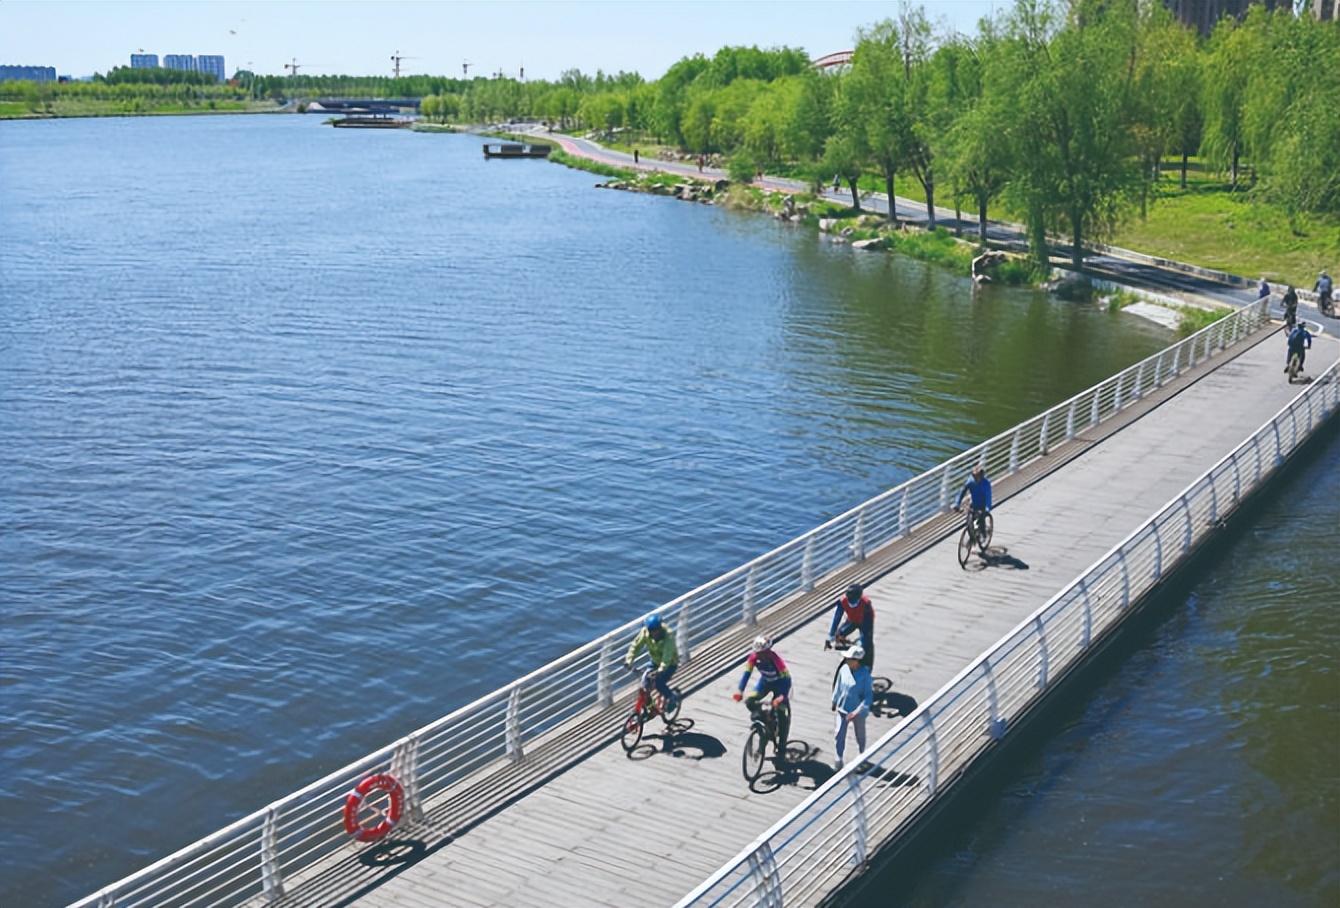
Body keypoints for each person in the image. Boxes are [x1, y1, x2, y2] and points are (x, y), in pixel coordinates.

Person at [732, 635, 792, 755]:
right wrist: (740, 691)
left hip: (780, 685)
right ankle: (766, 719)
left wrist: (781, 697)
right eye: (757, 653)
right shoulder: (753, 658)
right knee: (750, 701)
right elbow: (746, 674)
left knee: (781, 714)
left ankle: (782, 746)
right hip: (765, 683)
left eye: (762, 653)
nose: (759, 656)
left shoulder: (776, 660)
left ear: (768, 651)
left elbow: (787, 679)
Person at [625, 614, 679, 713]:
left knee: (659, 683)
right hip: (654, 662)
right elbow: (636, 646)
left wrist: (661, 669)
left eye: (657, 631)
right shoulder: (645, 632)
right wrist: (629, 660)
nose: (655, 634)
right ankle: (650, 708)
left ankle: (672, 698)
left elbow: (667, 654)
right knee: (644, 685)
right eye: (653, 631)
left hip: (670, 664)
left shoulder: (668, 635)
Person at [830, 644, 873, 770]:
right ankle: (839, 758)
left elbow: (868, 696)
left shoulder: (865, 675)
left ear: (857, 661)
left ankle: (861, 756)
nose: (847, 661)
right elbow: (838, 686)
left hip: (857, 711)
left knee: (860, 734)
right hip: (843, 708)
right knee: (839, 733)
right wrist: (834, 700)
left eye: (850, 659)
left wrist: (858, 711)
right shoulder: (844, 669)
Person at [826, 582, 874, 669]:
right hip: (852, 620)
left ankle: (867, 665)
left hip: (865, 621)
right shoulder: (842, 601)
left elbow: (867, 625)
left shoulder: (866, 604)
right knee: (839, 634)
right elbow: (837, 617)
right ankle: (848, 651)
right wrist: (830, 635)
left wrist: (863, 640)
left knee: (866, 642)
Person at [954, 465, 993, 544]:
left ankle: (983, 534)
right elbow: (962, 492)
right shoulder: (971, 482)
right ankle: (972, 536)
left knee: (981, 519)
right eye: (973, 476)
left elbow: (988, 496)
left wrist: (987, 508)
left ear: (981, 476)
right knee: (969, 522)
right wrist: (957, 504)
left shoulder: (986, 484)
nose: (975, 478)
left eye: (976, 476)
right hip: (973, 504)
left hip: (982, 505)